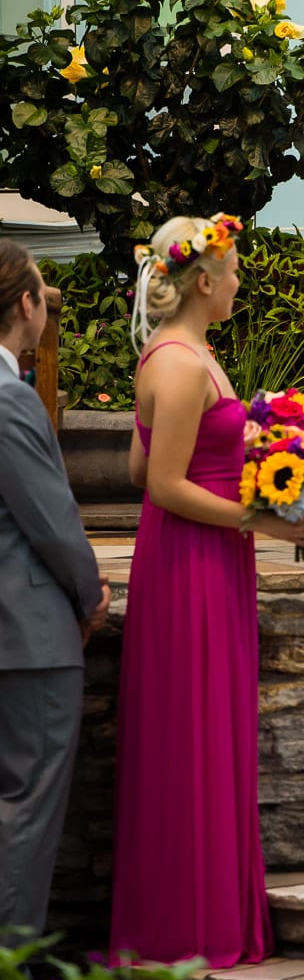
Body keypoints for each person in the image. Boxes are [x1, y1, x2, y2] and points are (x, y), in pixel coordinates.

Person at [110, 213, 304, 967]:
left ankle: (206, 913)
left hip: (207, 559)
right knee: (189, 731)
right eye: (231, 273)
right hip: (191, 563)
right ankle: (186, 925)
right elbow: (161, 487)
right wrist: (260, 518)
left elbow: (138, 471)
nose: (238, 283)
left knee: (207, 728)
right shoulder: (179, 364)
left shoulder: (185, 353)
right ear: (204, 281)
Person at [0, 241, 109, 942]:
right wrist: (90, 594)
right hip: (26, 636)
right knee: (26, 808)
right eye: (44, 295)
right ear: (26, 305)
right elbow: (51, 519)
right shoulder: (10, 400)